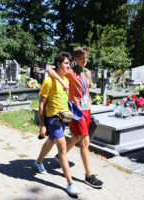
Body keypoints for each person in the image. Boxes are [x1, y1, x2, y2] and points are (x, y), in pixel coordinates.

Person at [46, 47, 103, 189]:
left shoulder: (88, 72)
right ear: (75, 59)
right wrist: (61, 80)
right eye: (82, 58)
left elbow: (86, 89)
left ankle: (60, 157)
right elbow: (49, 70)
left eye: (86, 58)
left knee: (77, 137)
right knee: (85, 141)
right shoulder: (70, 72)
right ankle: (89, 175)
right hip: (77, 111)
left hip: (87, 109)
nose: (85, 60)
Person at [35, 52, 79, 195]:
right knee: (62, 149)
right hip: (53, 119)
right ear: (59, 64)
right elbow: (41, 105)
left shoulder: (66, 78)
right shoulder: (49, 81)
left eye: (69, 63)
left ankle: (39, 161)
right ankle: (70, 183)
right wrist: (42, 125)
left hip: (64, 117)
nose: (69, 66)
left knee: (51, 141)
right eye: (66, 63)